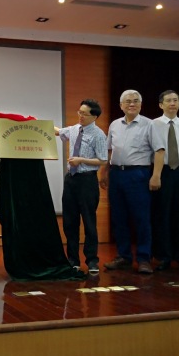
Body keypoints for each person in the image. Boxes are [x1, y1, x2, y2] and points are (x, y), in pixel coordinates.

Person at [100, 90, 155, 274]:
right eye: (128, 101)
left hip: (138, 174)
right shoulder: (114, 124)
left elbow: (159, 151)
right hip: (116, 173)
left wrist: (156, 175)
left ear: (141, 104)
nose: (132, 104)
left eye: (136, 101)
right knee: (119, 217)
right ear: (121, 105)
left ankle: (144, 258)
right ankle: (123, 256)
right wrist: (104, 172)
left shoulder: (149, 124)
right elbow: (109, 150)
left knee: (141, 218)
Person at [57, 99, 108, 275]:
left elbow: (102, 160)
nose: (81, 116)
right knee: (70, 222)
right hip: (71, 179)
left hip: (87, 181)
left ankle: (92, 260)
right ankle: (73, 260)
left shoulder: (98, 135)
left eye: (85, 114)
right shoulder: (74, 129)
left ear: (94, 117)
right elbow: (57, 131)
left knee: (89, 221)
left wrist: (81, 160)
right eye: (79, 112)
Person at [150, 90, 179, 272]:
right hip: (162, 172)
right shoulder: (153, 125)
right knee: (162, 215)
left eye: (175, 100)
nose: (172, 103)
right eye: (168, 100)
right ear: (161, 104)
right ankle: (164, 257)